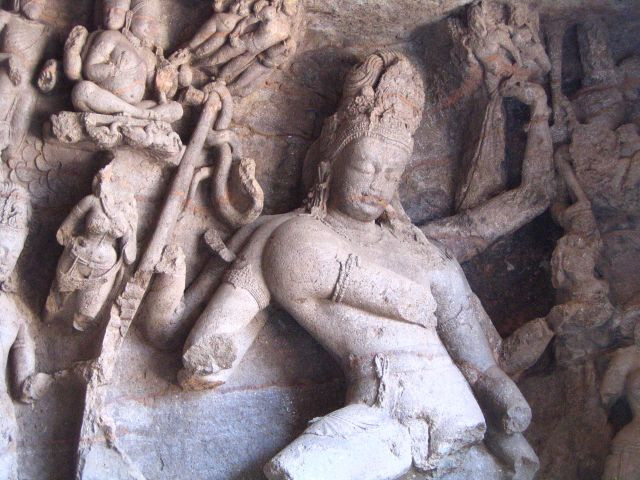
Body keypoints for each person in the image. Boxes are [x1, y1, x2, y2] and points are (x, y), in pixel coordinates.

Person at [177, 51, 540, 479]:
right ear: (330, 164)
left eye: (392, 174)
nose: (377, 184)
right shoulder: (292, 236)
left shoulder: (422, 254)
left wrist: (506, 405)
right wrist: (209, 353)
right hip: (382, 419)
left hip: (459, 420)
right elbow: (217, 337)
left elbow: (477, 364)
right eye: (366, 165)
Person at [44, 164, 137, 331]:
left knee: (85, 317)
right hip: (76, 257)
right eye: (102, 179)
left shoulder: (127, 214)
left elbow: (130, 255)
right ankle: (45, 327)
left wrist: (131, 227)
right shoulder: (92, 201)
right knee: (53, 305)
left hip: (103, 269)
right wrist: (69, 241)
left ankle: (71, 342)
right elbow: (65, 229)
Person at [0, 180, 51, 479]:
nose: (3, 259)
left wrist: (41, 383)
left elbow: (23, 385)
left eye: (9, 253)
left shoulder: (12, 312)